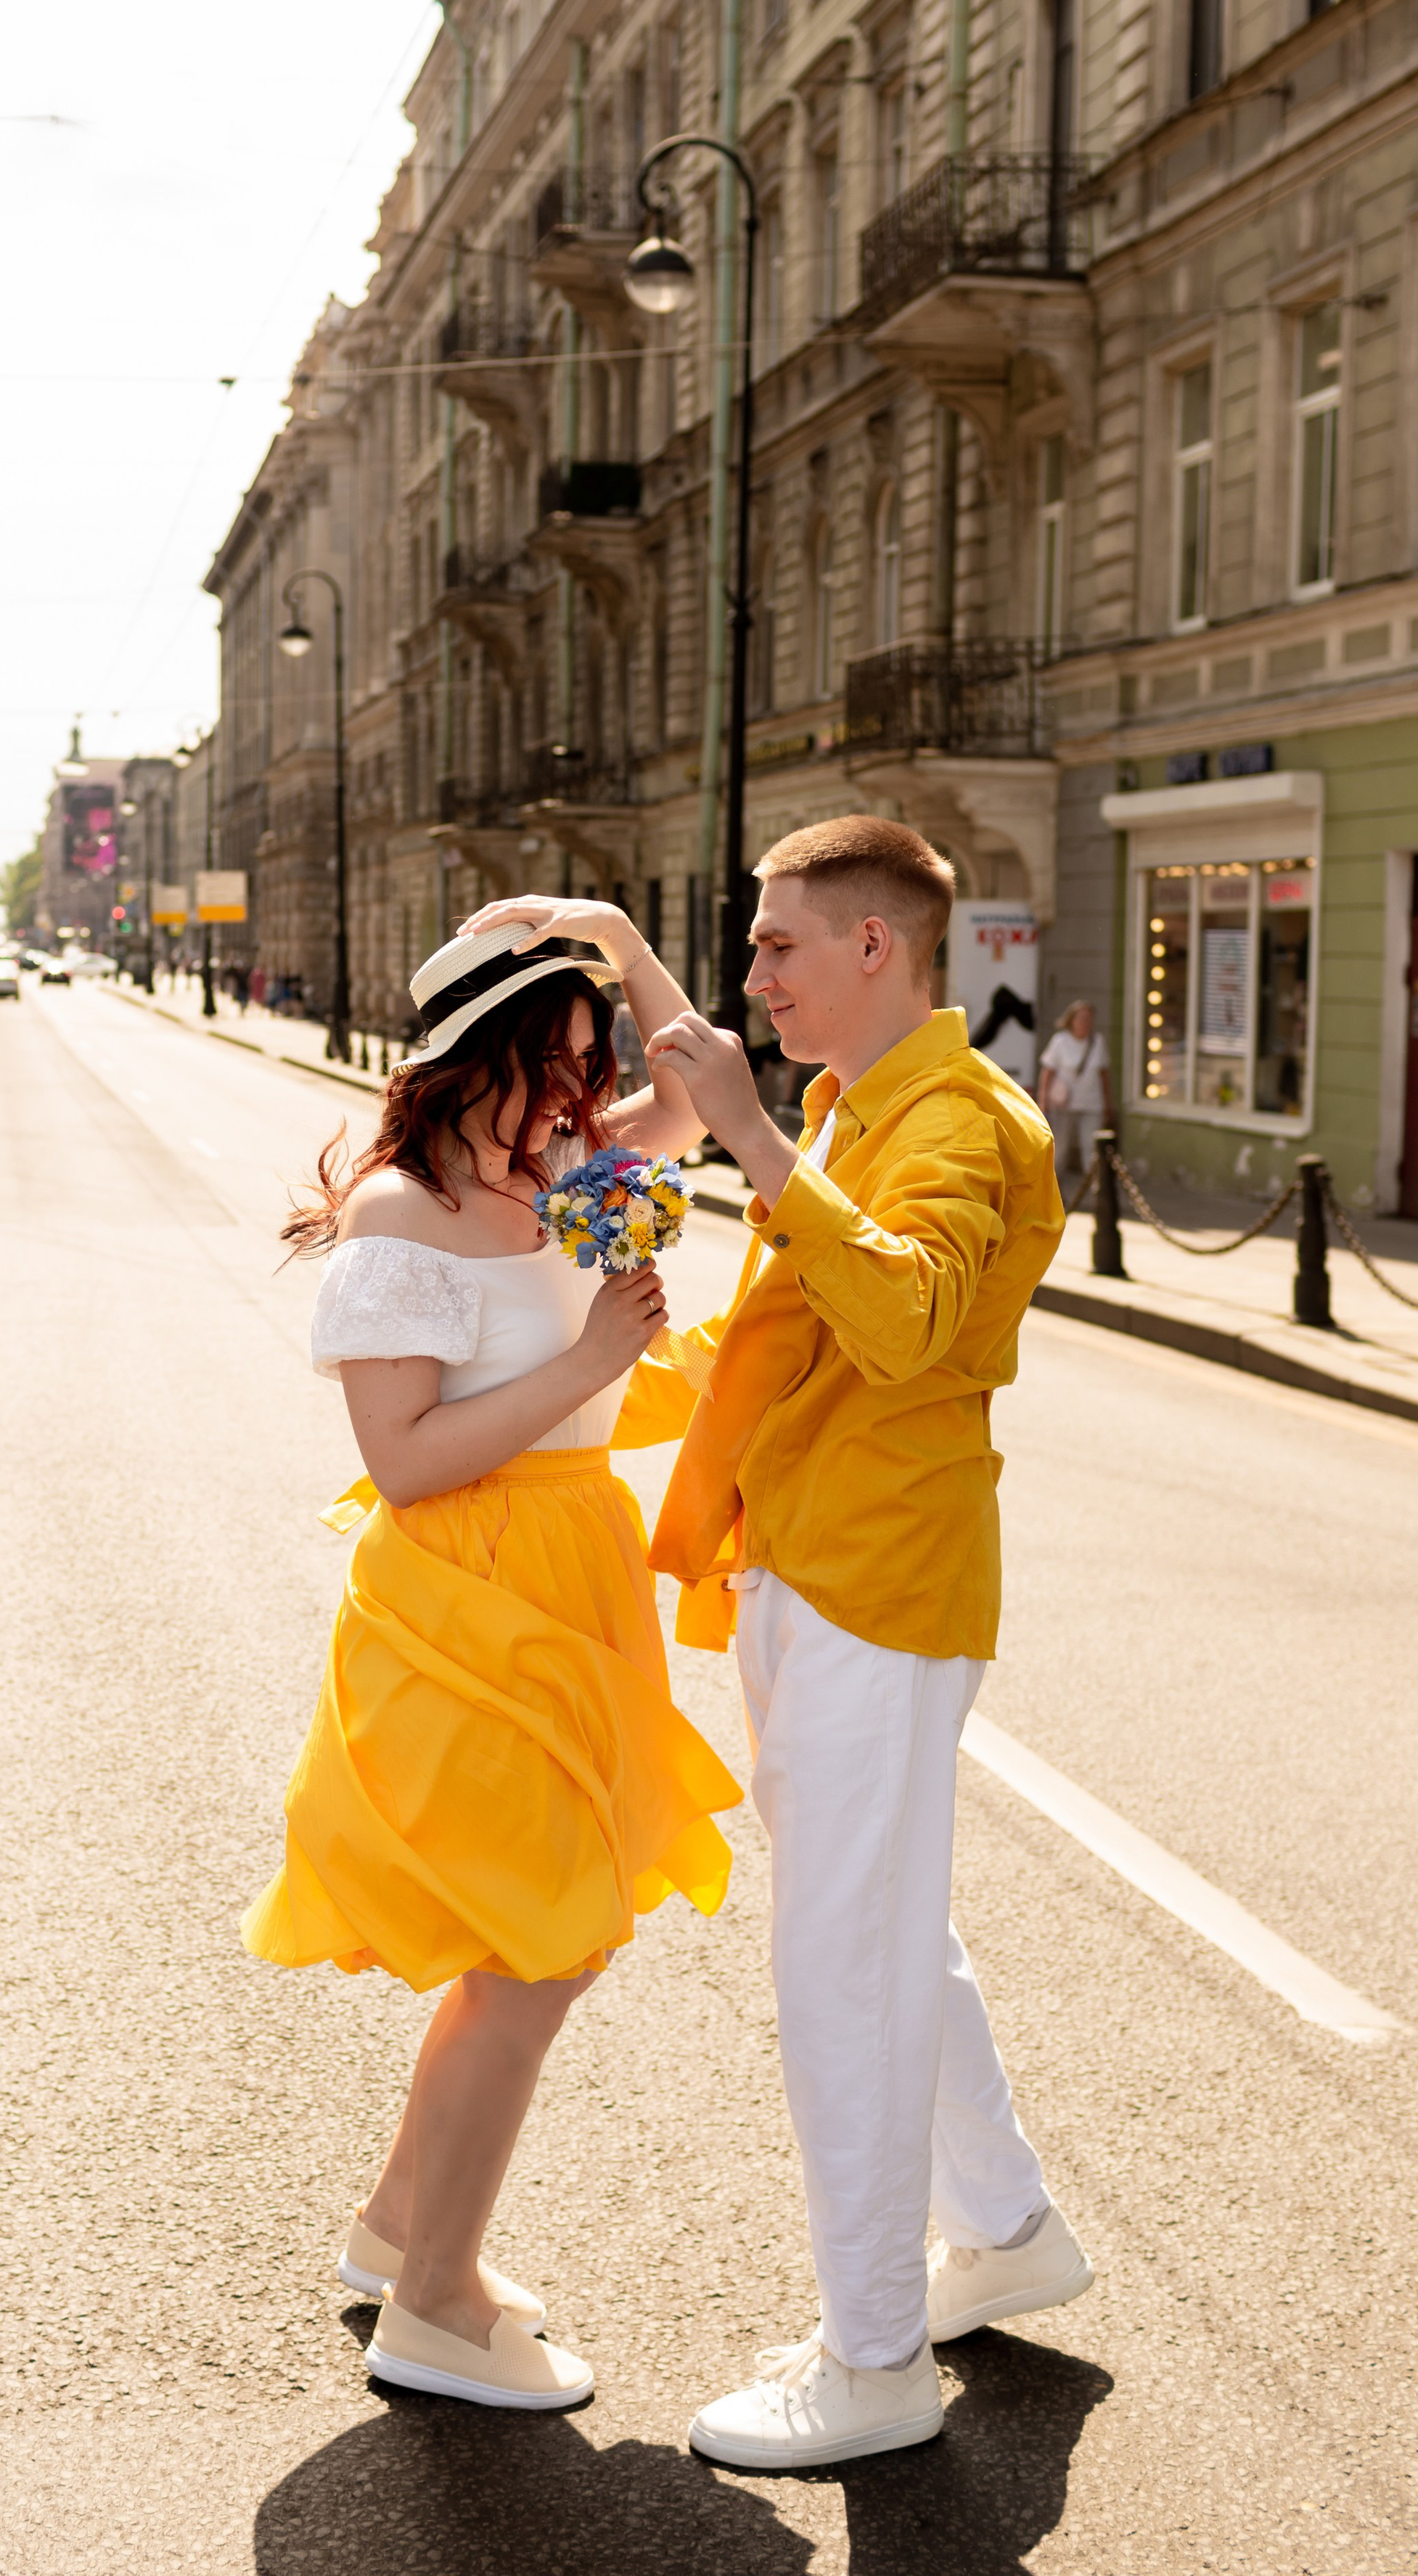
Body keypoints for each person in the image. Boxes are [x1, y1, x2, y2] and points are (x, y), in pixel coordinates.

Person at [628, 816, 1092, 2471]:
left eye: (773, 946)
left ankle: (875, 2355)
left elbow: (896, 1322)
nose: (751, 974)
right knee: (892, 1931)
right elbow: (786, 1353)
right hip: (811, 1570)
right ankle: (1009, 2225)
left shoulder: (959, 1121)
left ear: (874, 948)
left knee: (843, 1964)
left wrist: (750, 1138)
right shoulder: (851, 1112)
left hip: (877, 1592)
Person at [245, 898, 741, 2414]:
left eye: (591, 1064)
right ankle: (434, 2306)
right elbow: (401, 1461)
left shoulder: (566, 1175)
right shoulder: (397, 1214)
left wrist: (612, 934)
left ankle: (401, 2229)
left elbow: (714, 1096)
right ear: (473, 1059)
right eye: (556, 1062)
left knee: (543, 1943)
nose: (583, 1097)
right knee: (534, 1952)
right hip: (461, 1603)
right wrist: (593, 1361)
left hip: (570, 1583)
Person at [1038, 998, 1113, 1207]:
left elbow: (1104, 1075)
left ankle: (1097, 1196)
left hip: (1091, 1103)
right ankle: (1054, 1195)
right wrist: (1043, 1102)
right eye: (1081, 1018)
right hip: (1063, 1105)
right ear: (1072, 1020)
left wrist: (1109, 1105)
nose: (1085, 1022)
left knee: (1092, 1150)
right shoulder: (1060, 1041)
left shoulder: (1097, 1042)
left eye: (1089, 1018)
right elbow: (1048, 1073)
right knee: (1060, 1151)